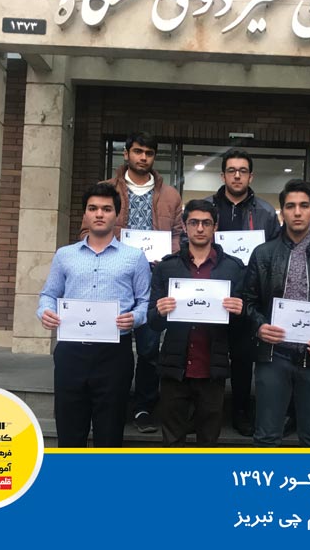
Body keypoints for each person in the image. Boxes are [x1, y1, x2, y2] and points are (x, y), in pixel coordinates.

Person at [80, 131, 182, 434]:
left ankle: (143, 407)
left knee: (149, 348)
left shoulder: (171, 196)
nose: (143, 157)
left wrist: (167, 256)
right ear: (126, 154)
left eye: (149, 153)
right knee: (109, 342)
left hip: (153, 279)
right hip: (113, 277)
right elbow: (85, 232)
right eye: (138, 151)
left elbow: (179, 235)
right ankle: (111, 402)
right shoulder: (106, 190)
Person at [242, 179, 310, 447]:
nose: (297, 212)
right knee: (266, 436)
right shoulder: (263, 253)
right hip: (274, 355)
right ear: (282, 212)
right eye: (290, 206)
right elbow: (247, 301)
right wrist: (259, 326)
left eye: (304, 206)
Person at [39, 183, 151, 447]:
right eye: (93, 208)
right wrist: (45, 311)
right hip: (71, 352)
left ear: (117, 215)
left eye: (106, 209)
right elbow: (48, 294)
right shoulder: (65, 255)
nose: (99, 214)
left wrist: (135, 317)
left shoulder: (135, 257)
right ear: (85, 214)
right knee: (69, 432)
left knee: (110, 433)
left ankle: (104, 475)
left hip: (114, 353)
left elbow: (145, 302)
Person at [148, 200, 244, 447]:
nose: (200, 228)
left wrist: (239, 312)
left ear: (215, 227)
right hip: (174, 367)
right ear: (184, 226)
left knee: (208, 442)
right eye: (194, 222)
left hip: (213, 368)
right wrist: (159, 312)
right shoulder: (166, 267)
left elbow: (241, 325)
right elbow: (152, 323)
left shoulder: (233, 268)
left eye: (206, 223)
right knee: (172, 442)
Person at [205, 148, 281, 437]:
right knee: (208, 349)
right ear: (222, 175)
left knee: (242, 355)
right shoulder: (207, 207)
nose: (237, 175)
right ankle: (204, 408)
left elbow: (275, 251)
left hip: (249, 292)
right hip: (211, 288)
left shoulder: (265, 212)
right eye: (231, 170)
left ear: (251, 176)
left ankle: (240, 409)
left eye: (243, 171)